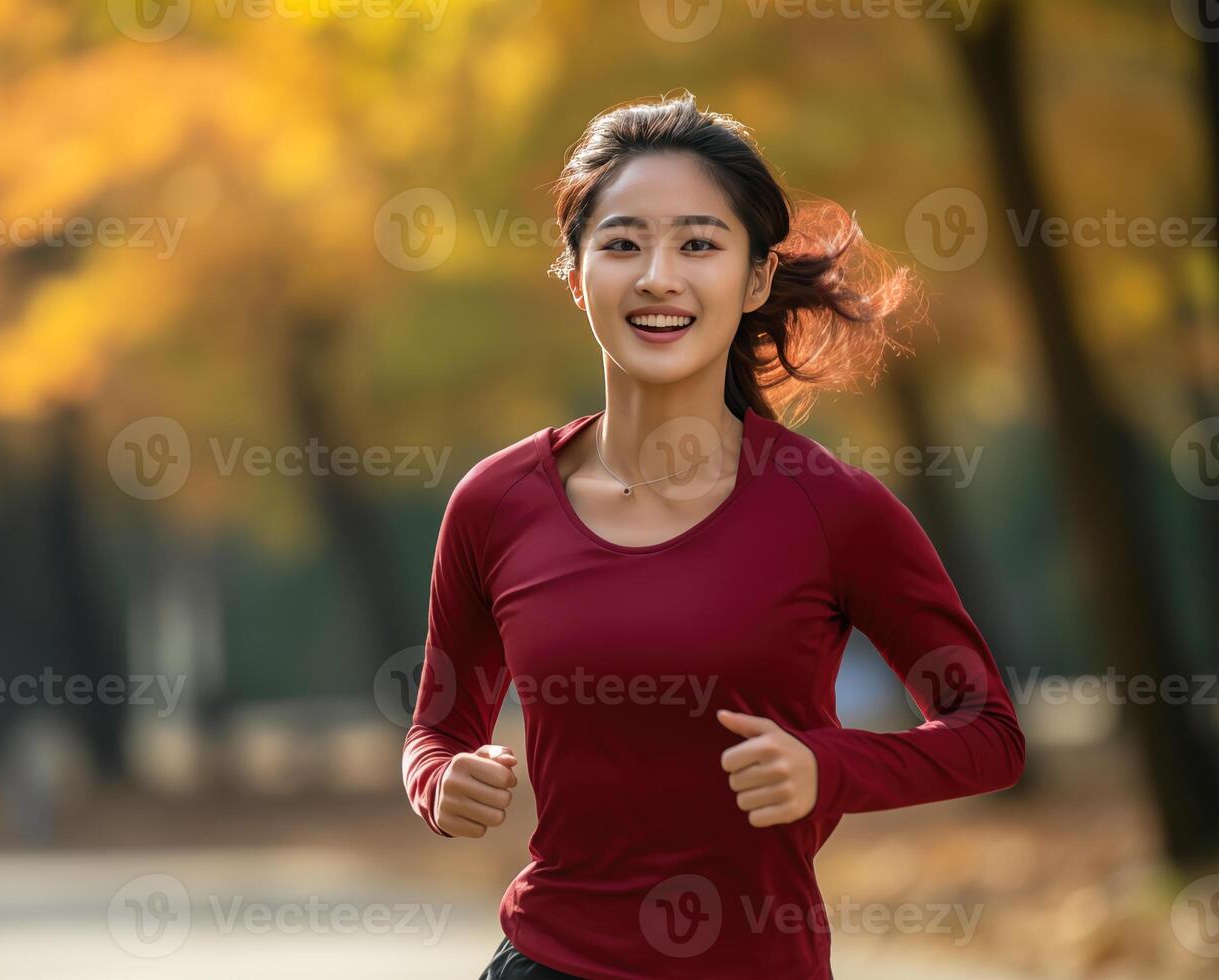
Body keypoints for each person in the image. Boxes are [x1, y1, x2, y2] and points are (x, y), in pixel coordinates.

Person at [401, 90, 1026, 980]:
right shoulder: (495, 503)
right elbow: (436, 730)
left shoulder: (830, 508)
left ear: (757, 277)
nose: (659, 275)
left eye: (699, 243)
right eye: (621, 243)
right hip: (547, 962)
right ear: (576, 274)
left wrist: (829, 766)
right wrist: (442, 781)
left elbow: (989, 730)